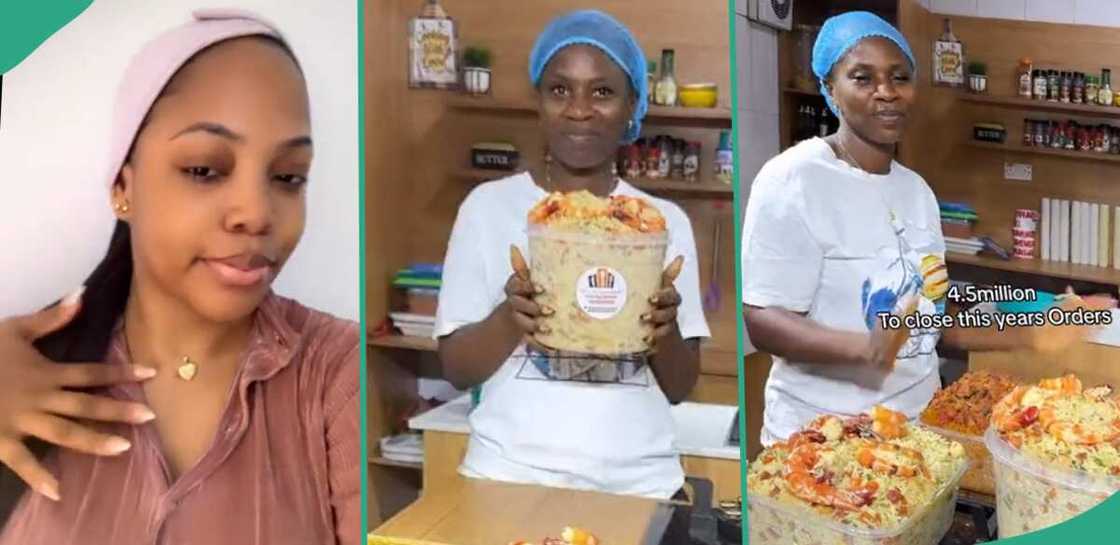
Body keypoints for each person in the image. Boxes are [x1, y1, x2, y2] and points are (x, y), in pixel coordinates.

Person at [0, 12, 358, 544]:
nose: (256, 212)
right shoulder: (24, 376)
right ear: (124, 186)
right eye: (204, 169)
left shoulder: (337, 377)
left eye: (288, 177)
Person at [741, 11, 1113, 447]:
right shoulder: (793, 178)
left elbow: (931, 325)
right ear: (830, 89)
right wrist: (864, 349)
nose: (886, 92)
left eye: (899, 77)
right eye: (862, 78)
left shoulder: (916, 192)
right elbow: (763, 320)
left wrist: (1032, 331)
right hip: (821, 441)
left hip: (918, 433)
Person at [434, 10, 710, 501]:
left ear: (632, 107)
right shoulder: (488, 209)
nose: (579, 109)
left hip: (638, 485)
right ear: (538, 102)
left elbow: (679, 385)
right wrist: (511, 315)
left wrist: (660, 331)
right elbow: (456, 368)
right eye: (560, 90)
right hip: (508, 476)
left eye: (602, 92)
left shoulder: (657, 224)